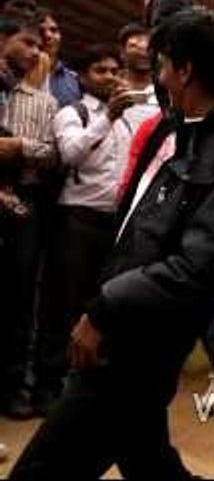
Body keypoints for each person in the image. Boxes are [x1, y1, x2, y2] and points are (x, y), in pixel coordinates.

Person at [10, 9, 214, 481]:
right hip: (127, 338)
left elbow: (194, 267)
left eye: (162, 65)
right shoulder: (181, 130)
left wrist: (104, 308)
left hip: (134, 349)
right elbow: (140, 230)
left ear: (184, 70)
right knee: (148, 460)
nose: (156, 78)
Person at [34, 43, 141, 414]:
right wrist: (106, 117)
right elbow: (71, 154)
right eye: (101, 70)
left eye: (115, 70)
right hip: (76, 221)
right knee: (63, 305)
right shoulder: (72, 112)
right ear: (82, 77)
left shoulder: (127, 119)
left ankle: (83, 388)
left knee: (98, 307)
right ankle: (48, 387)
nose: (111, 76)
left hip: (111, 225)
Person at [0, 13, 58, 420]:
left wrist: (20, 147)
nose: (37, 53)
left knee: (20, 298)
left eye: (40, 46)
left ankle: (13, 389)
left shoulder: (44, 102)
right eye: (28, 43)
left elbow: (53, 153)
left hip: (23, 204)